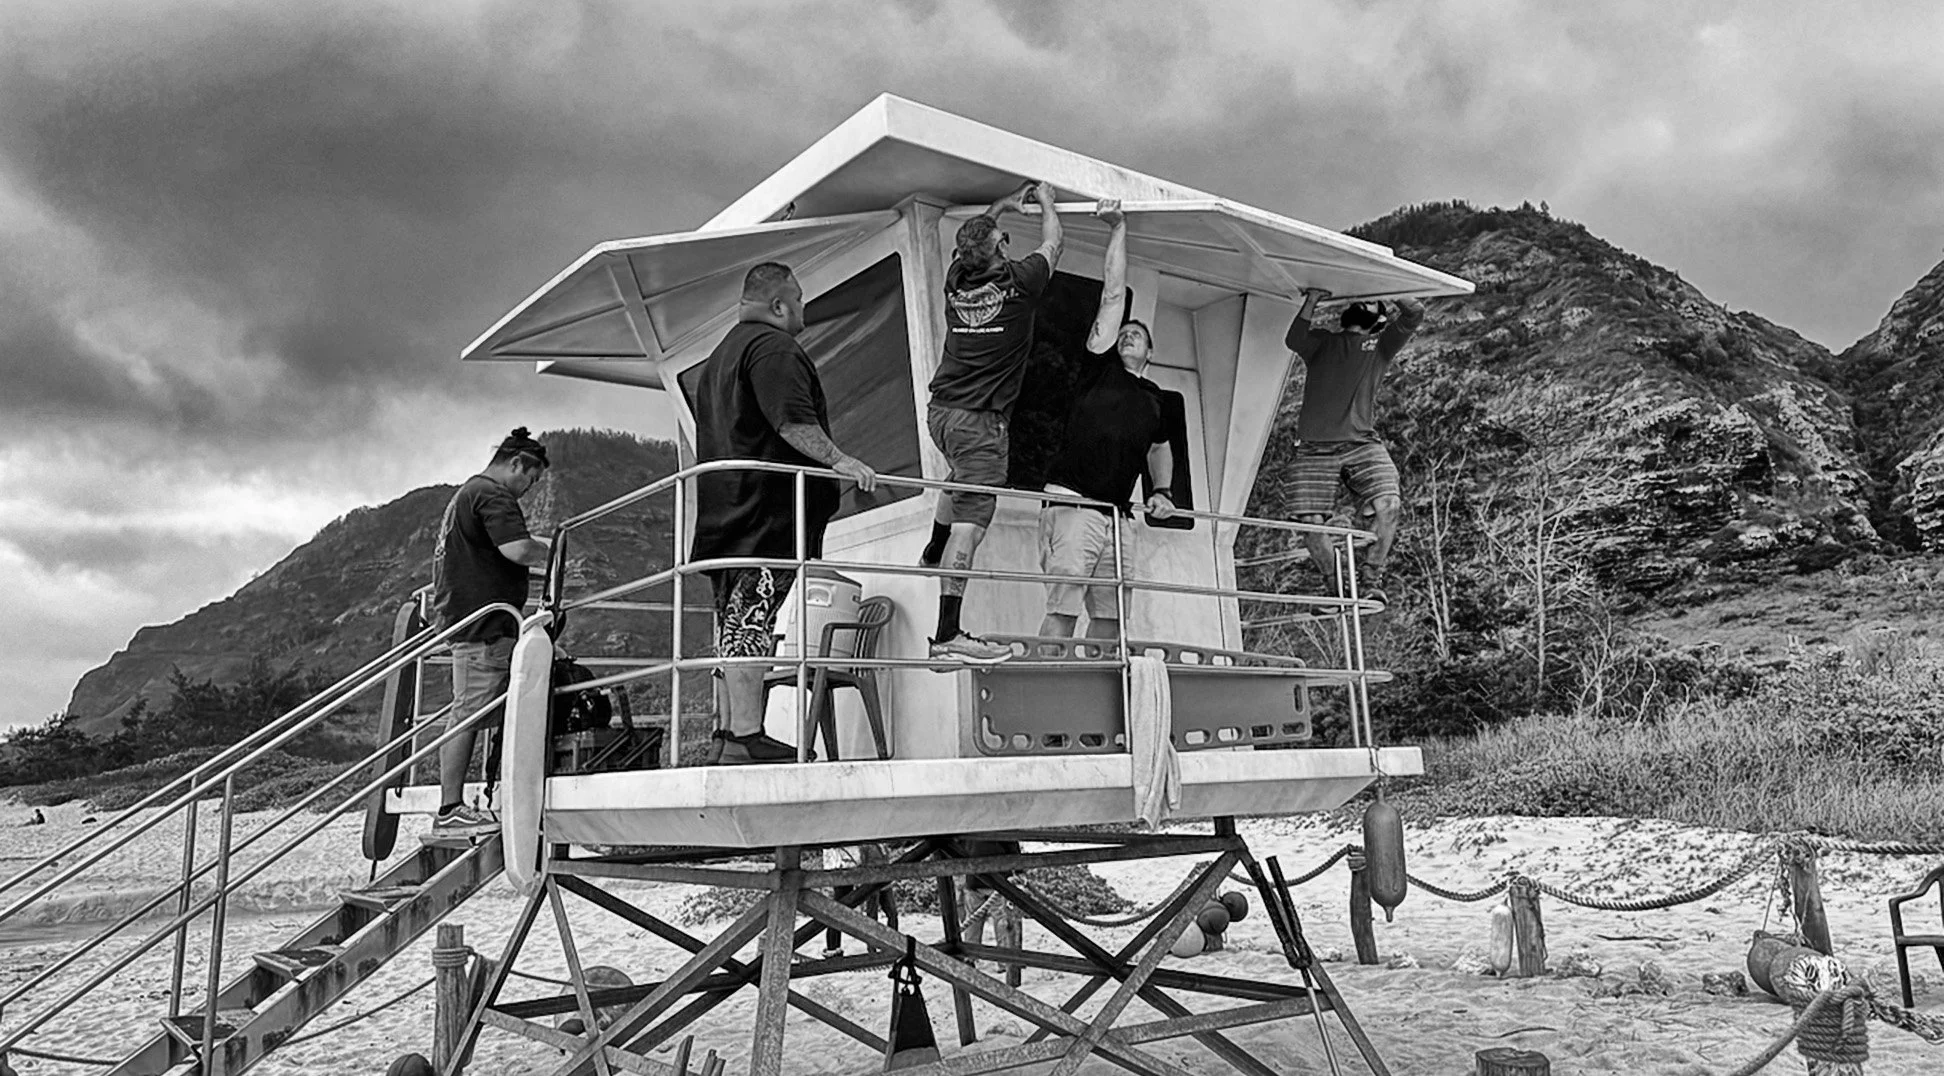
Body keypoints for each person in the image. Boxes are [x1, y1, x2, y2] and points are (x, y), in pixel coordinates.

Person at [690, 262, 877, 764]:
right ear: (778, 305)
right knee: (752, 618)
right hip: (765, 512)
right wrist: (843, 460)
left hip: (725, 511)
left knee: (732, 623)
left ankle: (728, 733)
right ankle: (748, 738)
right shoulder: (774, 348)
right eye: (798, 299)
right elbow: (792, 422)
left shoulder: (719, 358)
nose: (803, 309)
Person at [919, 179, 1065, 663]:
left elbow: (977, 239)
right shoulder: (1020, 284)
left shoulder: (957, 278)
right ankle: (947, 635)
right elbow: (1054, 242)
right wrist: (1044, 201)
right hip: (980, 422)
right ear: (1000, 246)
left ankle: (930, 551)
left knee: (958, 476)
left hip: (941, 413)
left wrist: (999, 208)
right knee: (972, 523)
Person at [1037, 199, 1180, 639]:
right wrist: (1118, 228)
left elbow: (1160, 446)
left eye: (1137, 334)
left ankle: (1096, 697)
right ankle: (1045, 690)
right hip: (1074, 504)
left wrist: (1164, 491)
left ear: (1150, 353)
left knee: (1111, 618)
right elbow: (1113, 293)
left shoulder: (1155, 399)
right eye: (1123, 332)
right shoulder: (1101, 366)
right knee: (1063, 610)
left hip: (1119, 518)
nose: (1127, 333)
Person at [430, 427, 553, 836]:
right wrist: (553, 549)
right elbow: (516, 549)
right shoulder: (493, 494)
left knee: (474, 708)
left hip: (473, 623)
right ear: (516, 464)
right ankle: (450, 807)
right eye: (530, 479)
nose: (527, 490)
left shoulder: (466, 494)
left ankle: (471, 796)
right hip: (484, 627)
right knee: (468, 713)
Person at [1284, 290, 1427, 607]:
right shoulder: (1323, 342)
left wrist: (1390, 288)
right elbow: (1294, 338)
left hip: (1361, 441)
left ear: (1378, 320)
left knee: (1389, 503)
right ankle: (1335, 587)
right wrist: (1312, 300)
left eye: (1370, 303)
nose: (1361, 306)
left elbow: (1414, 313)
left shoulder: (1380, 346)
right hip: (1312, 448)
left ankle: (1370, 578)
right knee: (1309, 522)